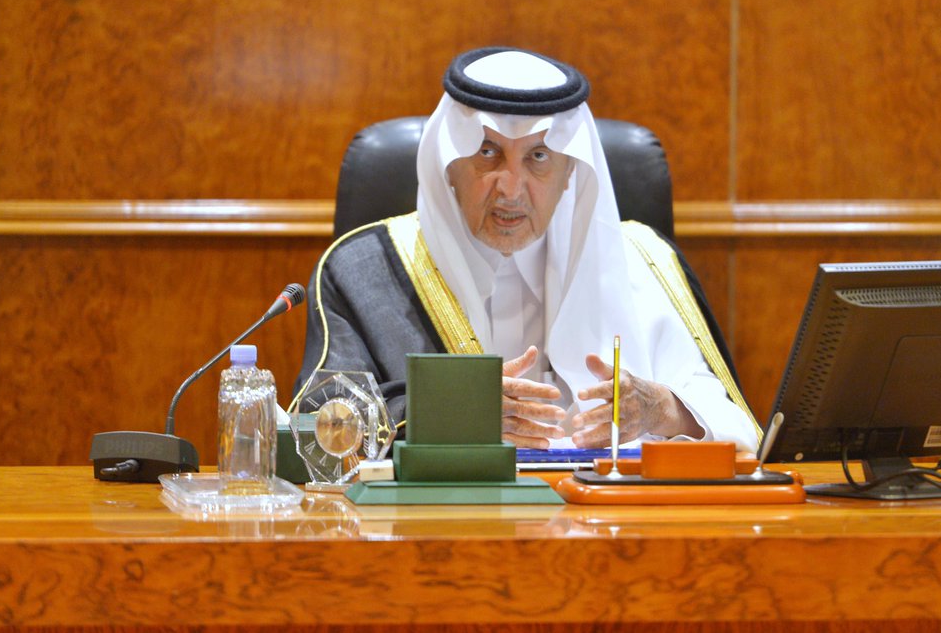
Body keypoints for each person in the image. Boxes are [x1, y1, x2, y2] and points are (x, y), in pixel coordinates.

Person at [294, 46, 760, 452]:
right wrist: (456, 412)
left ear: (570, 171)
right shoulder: (365, 269)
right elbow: (318, 427)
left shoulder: (645, 261)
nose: (511, 188)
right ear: (448, 164)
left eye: (538, 157)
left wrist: (663, 410)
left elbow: (737, 427)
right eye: (487, 153)